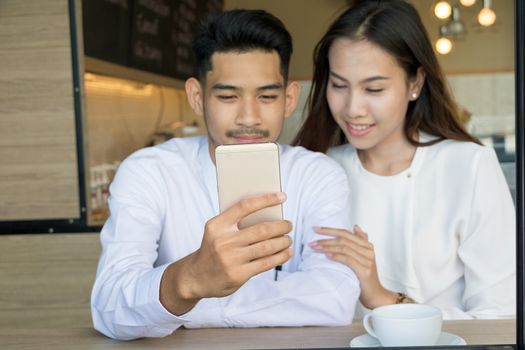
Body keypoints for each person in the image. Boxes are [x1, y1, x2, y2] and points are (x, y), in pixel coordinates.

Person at [91, 9, 360, 340]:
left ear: (289, 99)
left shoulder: (318, 175)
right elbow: (109, 304)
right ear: (197, 96)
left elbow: (336, 298)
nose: (249, 116)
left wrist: (191, 298)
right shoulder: (149, 171)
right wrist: (190, 276)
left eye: (266, 96)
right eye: (228, 96)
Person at [294, 0, 515, 319]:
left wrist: (383, 298)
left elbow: (500, 318)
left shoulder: (468, 166)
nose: (353, 108)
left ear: (415, 82)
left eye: (374, 89)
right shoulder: (317, 169)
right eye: (339, 85)